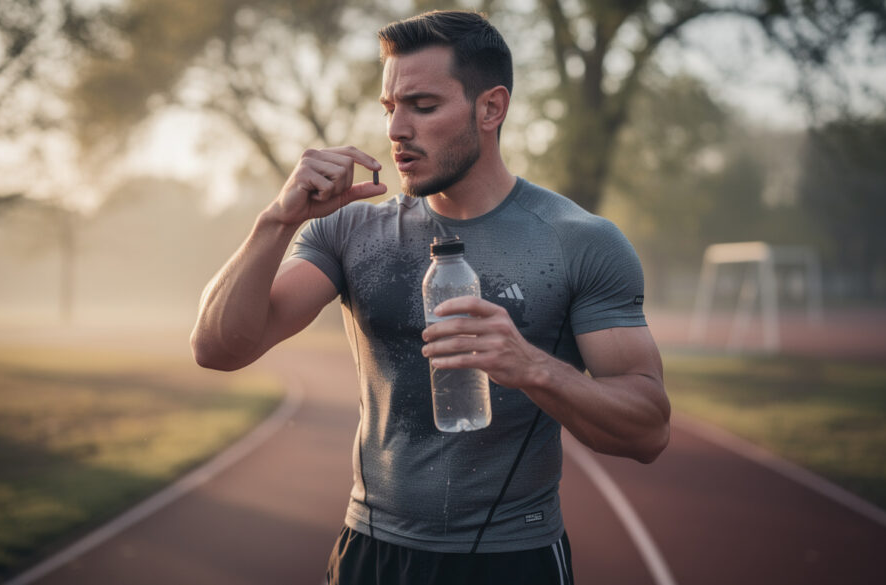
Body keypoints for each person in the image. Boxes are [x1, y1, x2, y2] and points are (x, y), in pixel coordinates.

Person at [191, 10, 670, 585]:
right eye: (390, 107)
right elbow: (218, 348)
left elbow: (648, 430)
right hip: (371, 553)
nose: (396, 129)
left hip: (514, 559)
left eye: (422, 106)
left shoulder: (579, 241)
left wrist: (533, 368)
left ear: (490, 109)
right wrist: (277, 220)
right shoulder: (349, 231)